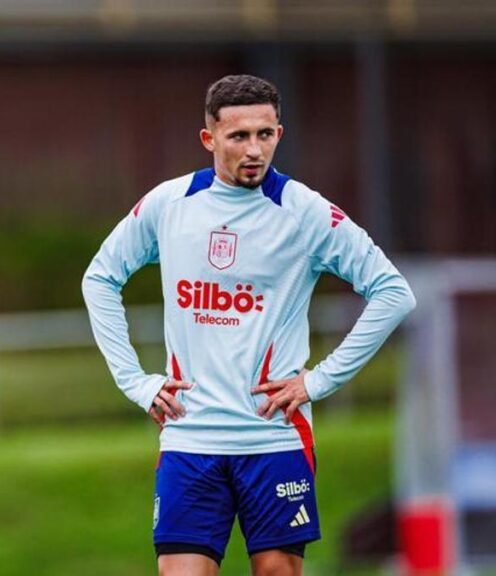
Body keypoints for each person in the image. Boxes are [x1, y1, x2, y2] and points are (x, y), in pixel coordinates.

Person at [81, 74, 415, 576]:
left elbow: (393, 293)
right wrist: (136, 382)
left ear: (279, 133)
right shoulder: (170, 205)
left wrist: (319, 380)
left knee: (276, 571)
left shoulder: (305, 212)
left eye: (265, 134)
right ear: (209, 138)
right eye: (239, 136)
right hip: (190, 438)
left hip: (274, 438)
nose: (254, 148)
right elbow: (101, 277)